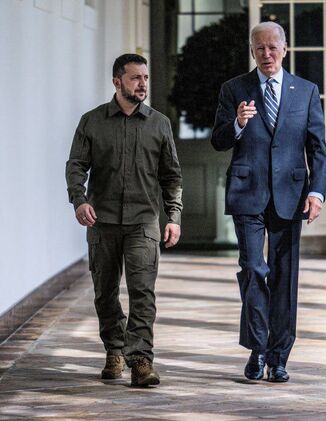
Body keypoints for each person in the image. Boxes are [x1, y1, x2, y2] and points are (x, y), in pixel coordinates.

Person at [211, 21, 326, 383]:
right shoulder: (234, 89)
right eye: (259, 48)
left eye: (273, 47)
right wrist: (237, 123)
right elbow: (218, 140)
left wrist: (316, 192)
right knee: (252, 270)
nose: (266, 54)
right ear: (252, 51)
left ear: (285, 50)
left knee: (284, 277)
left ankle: (278, 357)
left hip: (291, 196)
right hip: (247, 193)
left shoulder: (306, 91)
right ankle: (257, 348)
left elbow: (317, 148)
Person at [65, 53, 183, 387]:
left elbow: (171, 176)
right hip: (101, 221)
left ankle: (141, 360)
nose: (142, 84)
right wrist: (79, 200)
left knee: (142, 292)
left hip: (143, 221)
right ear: (117, 82)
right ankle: (114, 349)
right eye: (135, 78)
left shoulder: (159, 124)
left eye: (145, 77)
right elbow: (76, 165)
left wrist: (173, 216)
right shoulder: (92, 121)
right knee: (104, 292)